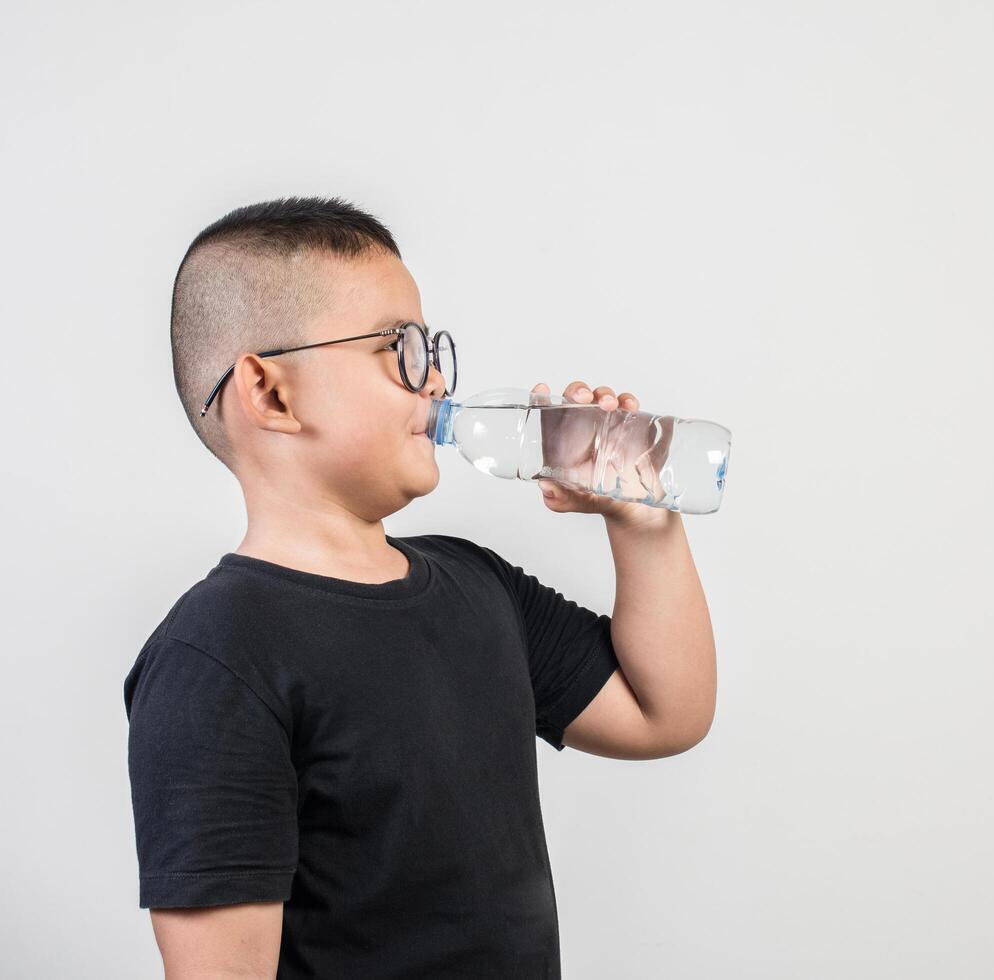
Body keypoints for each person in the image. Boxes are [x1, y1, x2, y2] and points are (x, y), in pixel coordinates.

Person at [123, 196, 717, 979]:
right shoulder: (216, 657)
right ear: (270, 394)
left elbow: (663, 714)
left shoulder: (477, 584)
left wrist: (642, 524)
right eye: (394, 348)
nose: (433, 377)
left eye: (431, 346)